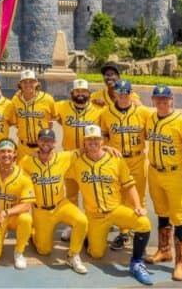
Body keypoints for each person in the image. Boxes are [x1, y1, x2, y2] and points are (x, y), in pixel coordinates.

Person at [67, 125, 153, 285]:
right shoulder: (76, 162)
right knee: (96, 254)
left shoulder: (115, 159)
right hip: (95, 216)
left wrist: (137, 205)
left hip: (116, 210)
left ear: (102, 140)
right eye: (89, 139)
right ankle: (89, 236)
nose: (93, 142)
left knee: (143, 223)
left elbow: (129, 184)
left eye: (97, 139)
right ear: (84, 142)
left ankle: (136, 262)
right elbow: (55, 160)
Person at [143, 85, 182, 281]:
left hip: (174, 174)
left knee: (178, 217)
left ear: (171, 100)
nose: (161, 102)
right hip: (154, 172)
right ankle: (164, 251)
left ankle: (180, 262)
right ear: (152, 100)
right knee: (161, 212)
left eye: (164, 99)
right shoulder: (150, 119)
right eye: (157, 98)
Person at [19, 128, 88, 274]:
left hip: (60, 205)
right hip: (40, 210)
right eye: (43, 139)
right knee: (44, 251)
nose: (45, 143)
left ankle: (73, 255)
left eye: (49, 140)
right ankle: (34, 232)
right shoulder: (27, 161)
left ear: (54, 143)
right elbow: (14, 173)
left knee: (81, 220)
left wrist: (106, 147)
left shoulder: (63, 157)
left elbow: (83, 150)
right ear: (38, 141)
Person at [99, 79, 151, 251]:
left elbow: (152, 135)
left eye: (126, 93)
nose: (122, 96)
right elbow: (103, 138)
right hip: (117, 160)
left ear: (131, 93)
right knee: (119, 198)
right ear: (115, 94)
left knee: (138, 198)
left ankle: (140, 232)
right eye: (119, 93)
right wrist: (105, 147)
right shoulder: (106, 113)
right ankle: (124, 233)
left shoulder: (143, 112)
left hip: (137, 158)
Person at [53, 78, 103, 241]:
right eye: (77, 91)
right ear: (72, 93)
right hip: (70, 157)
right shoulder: (62, 107)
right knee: (72, 194)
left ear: (89, 93)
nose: (80, 94)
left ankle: (92, 224)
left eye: (84, 91)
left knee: (91, 194)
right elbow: (45, 108)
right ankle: (72, 224)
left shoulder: (99, 110)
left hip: (90, 158)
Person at [0, 138, 34, 269]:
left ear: (15, 153)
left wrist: (6, 213)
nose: (6, 154)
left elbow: (27, 205)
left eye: (9, 151)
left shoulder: (23, 176)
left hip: (12, 217)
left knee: (26, 218)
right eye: (2, 151)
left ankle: (19, 252)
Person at [11, 70, 55, 158]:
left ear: (37, 83)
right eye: (24, 82)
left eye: (31, 81)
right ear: (20, 84)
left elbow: (55, 117)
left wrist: (48, 124)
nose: (28, 84)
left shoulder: (48, 99)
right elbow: (15, 122)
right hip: (23, 148)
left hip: (43, 148)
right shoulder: (15, 101)